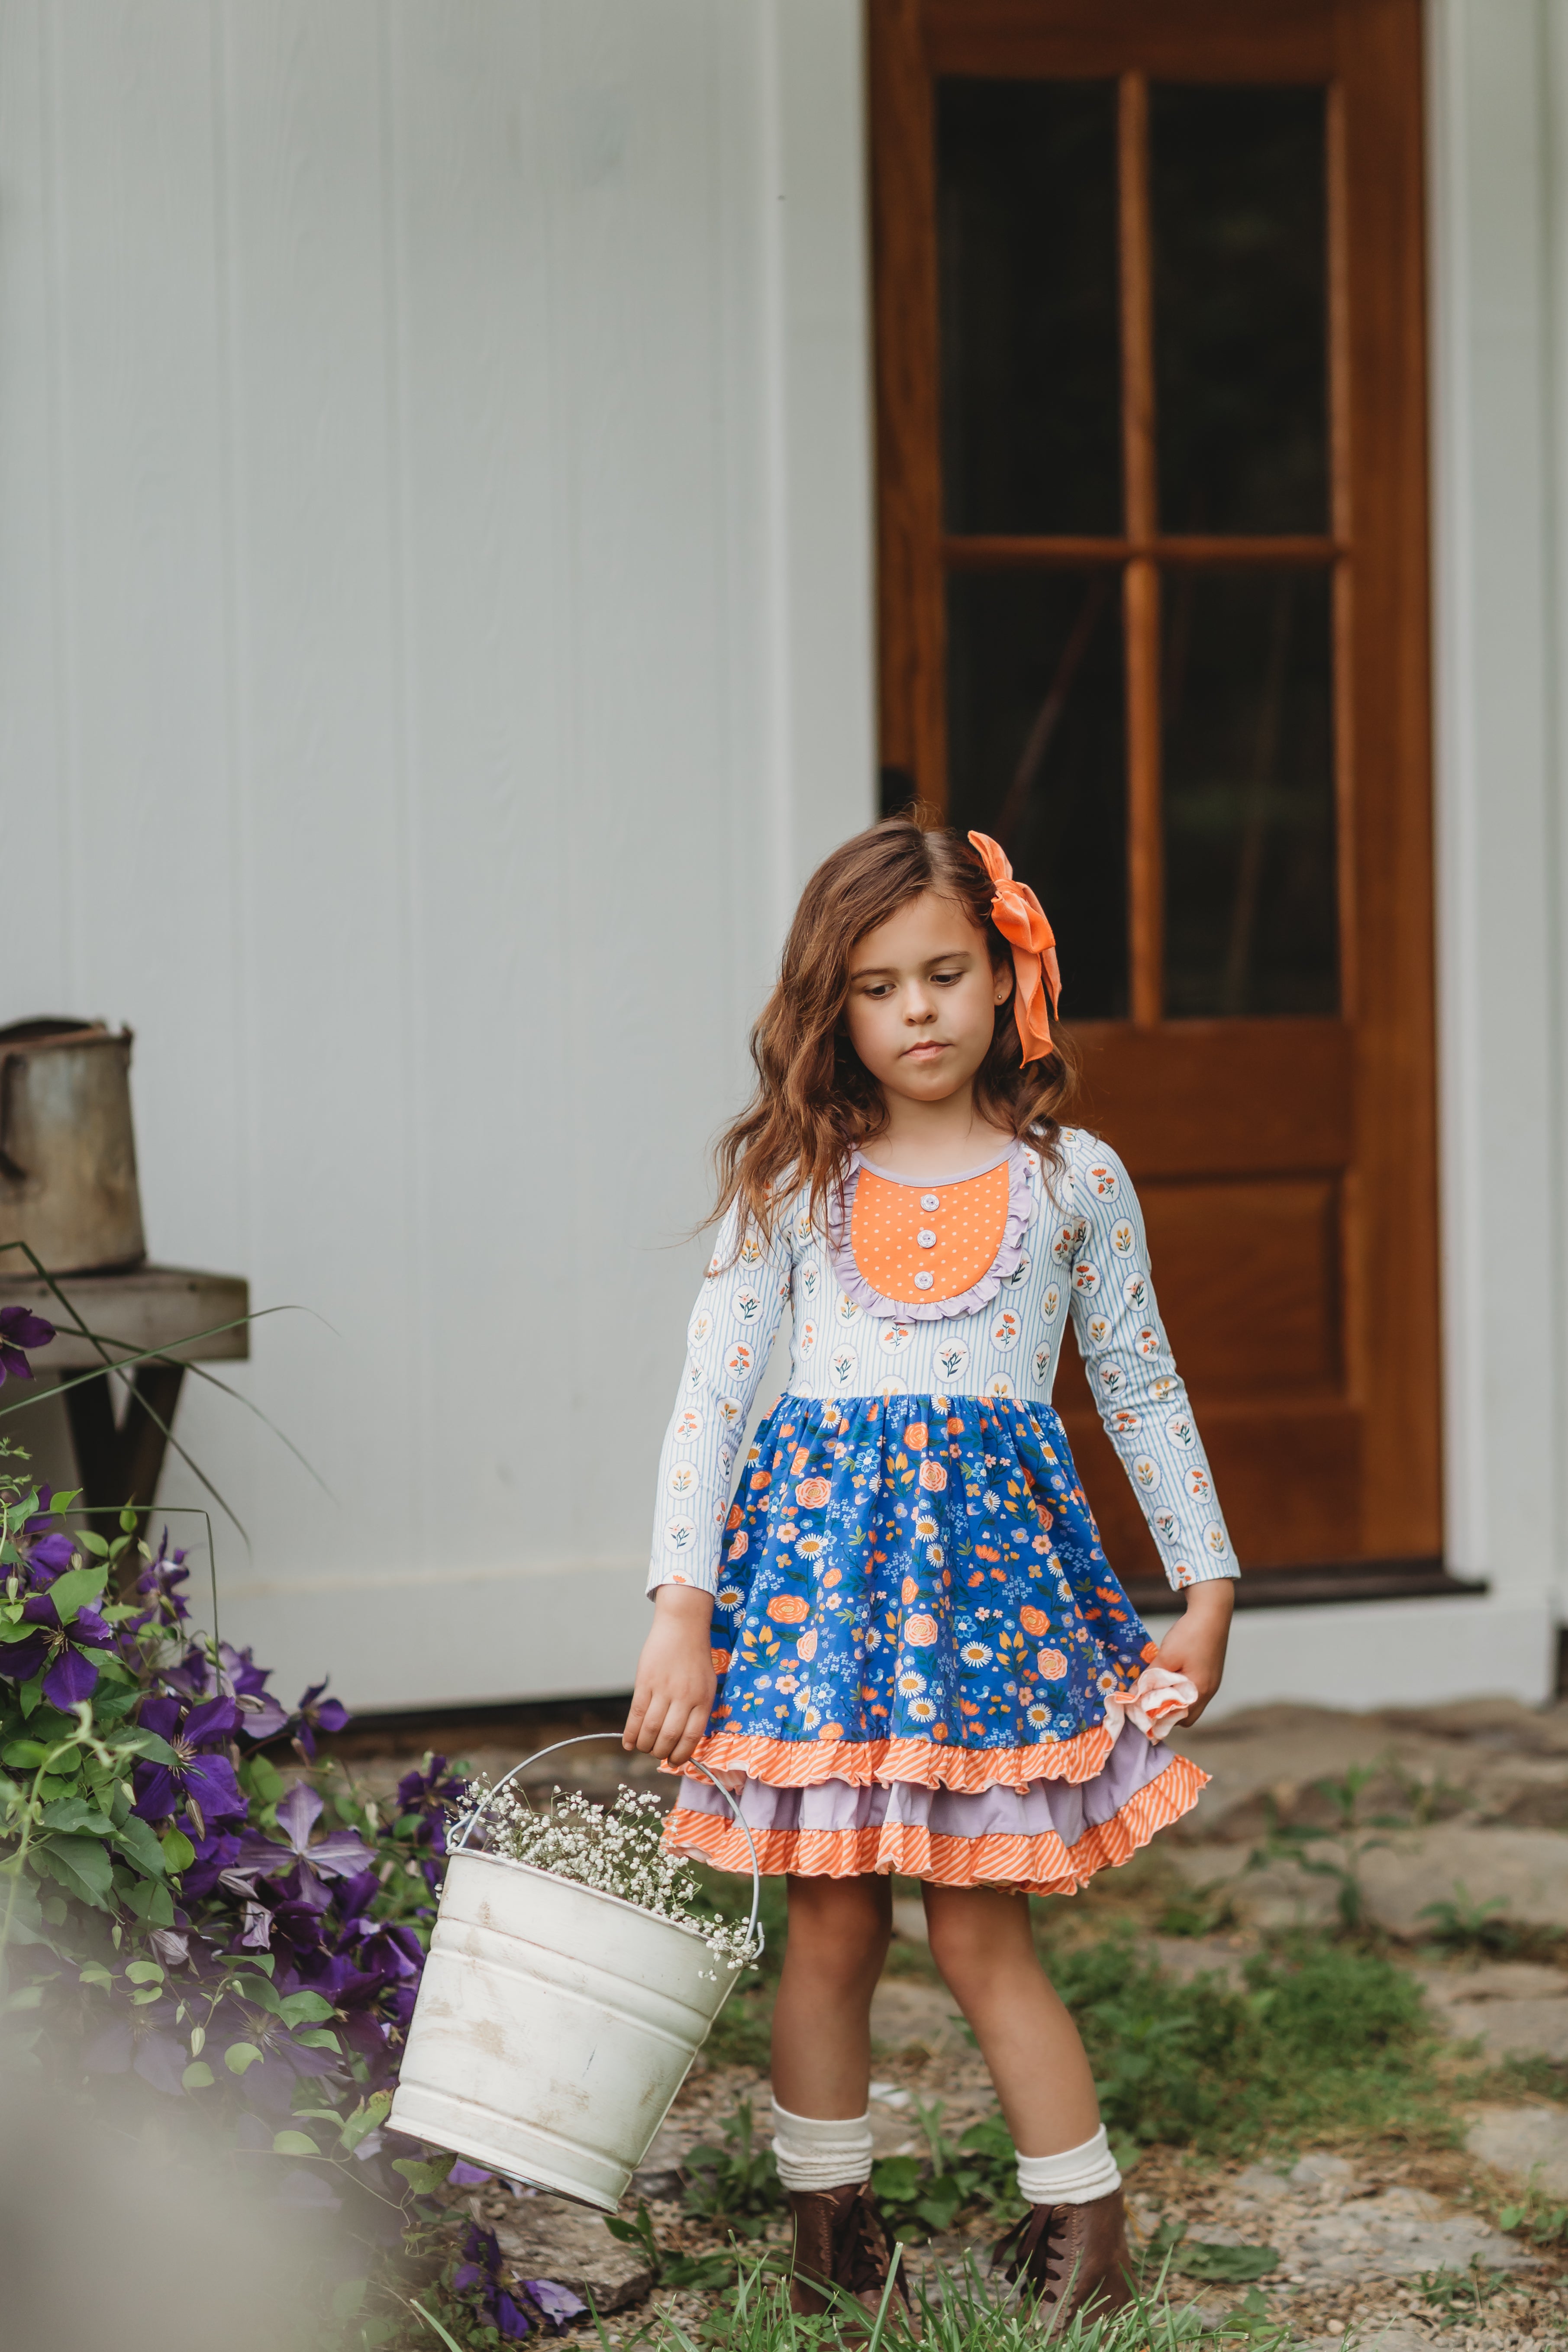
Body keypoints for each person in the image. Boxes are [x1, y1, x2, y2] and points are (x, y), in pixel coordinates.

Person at [624, 816, 1236, 2324]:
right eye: (879, 984)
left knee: (980, 1923)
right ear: (832, 1008)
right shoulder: (792, 1180)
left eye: (947, 972)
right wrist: (681, 1610)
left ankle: (1083, 2233)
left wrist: (1208, 1590)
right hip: (819, 1614)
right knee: (829, 1920)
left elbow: (1144, 1389)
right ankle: (829, 2239)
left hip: (995, 1621)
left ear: (1006, 974)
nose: (918, 1010)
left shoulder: (1072, 1181)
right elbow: (711, 1399)